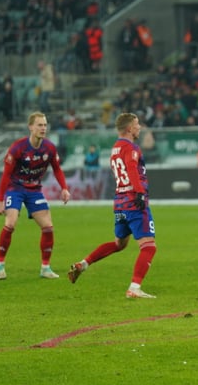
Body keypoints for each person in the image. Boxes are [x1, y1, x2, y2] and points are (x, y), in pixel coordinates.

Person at [67, 113, 158, 299]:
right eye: (137, 124)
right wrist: (140, 192)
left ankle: (83, 264)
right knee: (149, 247)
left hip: (120, 202)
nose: (139, 127)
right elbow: (131, 168)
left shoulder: (115, 148)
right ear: (129, 129)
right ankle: (134, 288)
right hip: (134, 201)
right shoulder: (131, 148)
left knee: (119, 244)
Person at [0, 112, 71, 280]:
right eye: (39, 125)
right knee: (10, 223)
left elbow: (57, 169)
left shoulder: (49, 148)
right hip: (15, 188)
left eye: (45, 125)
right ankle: (0, 265)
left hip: (34, 190)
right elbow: (6, 175)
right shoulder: (18, 148)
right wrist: (0, 200)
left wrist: (64, 188)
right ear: (30, 127)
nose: (43, 128)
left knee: (48, 227)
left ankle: (45, 268)